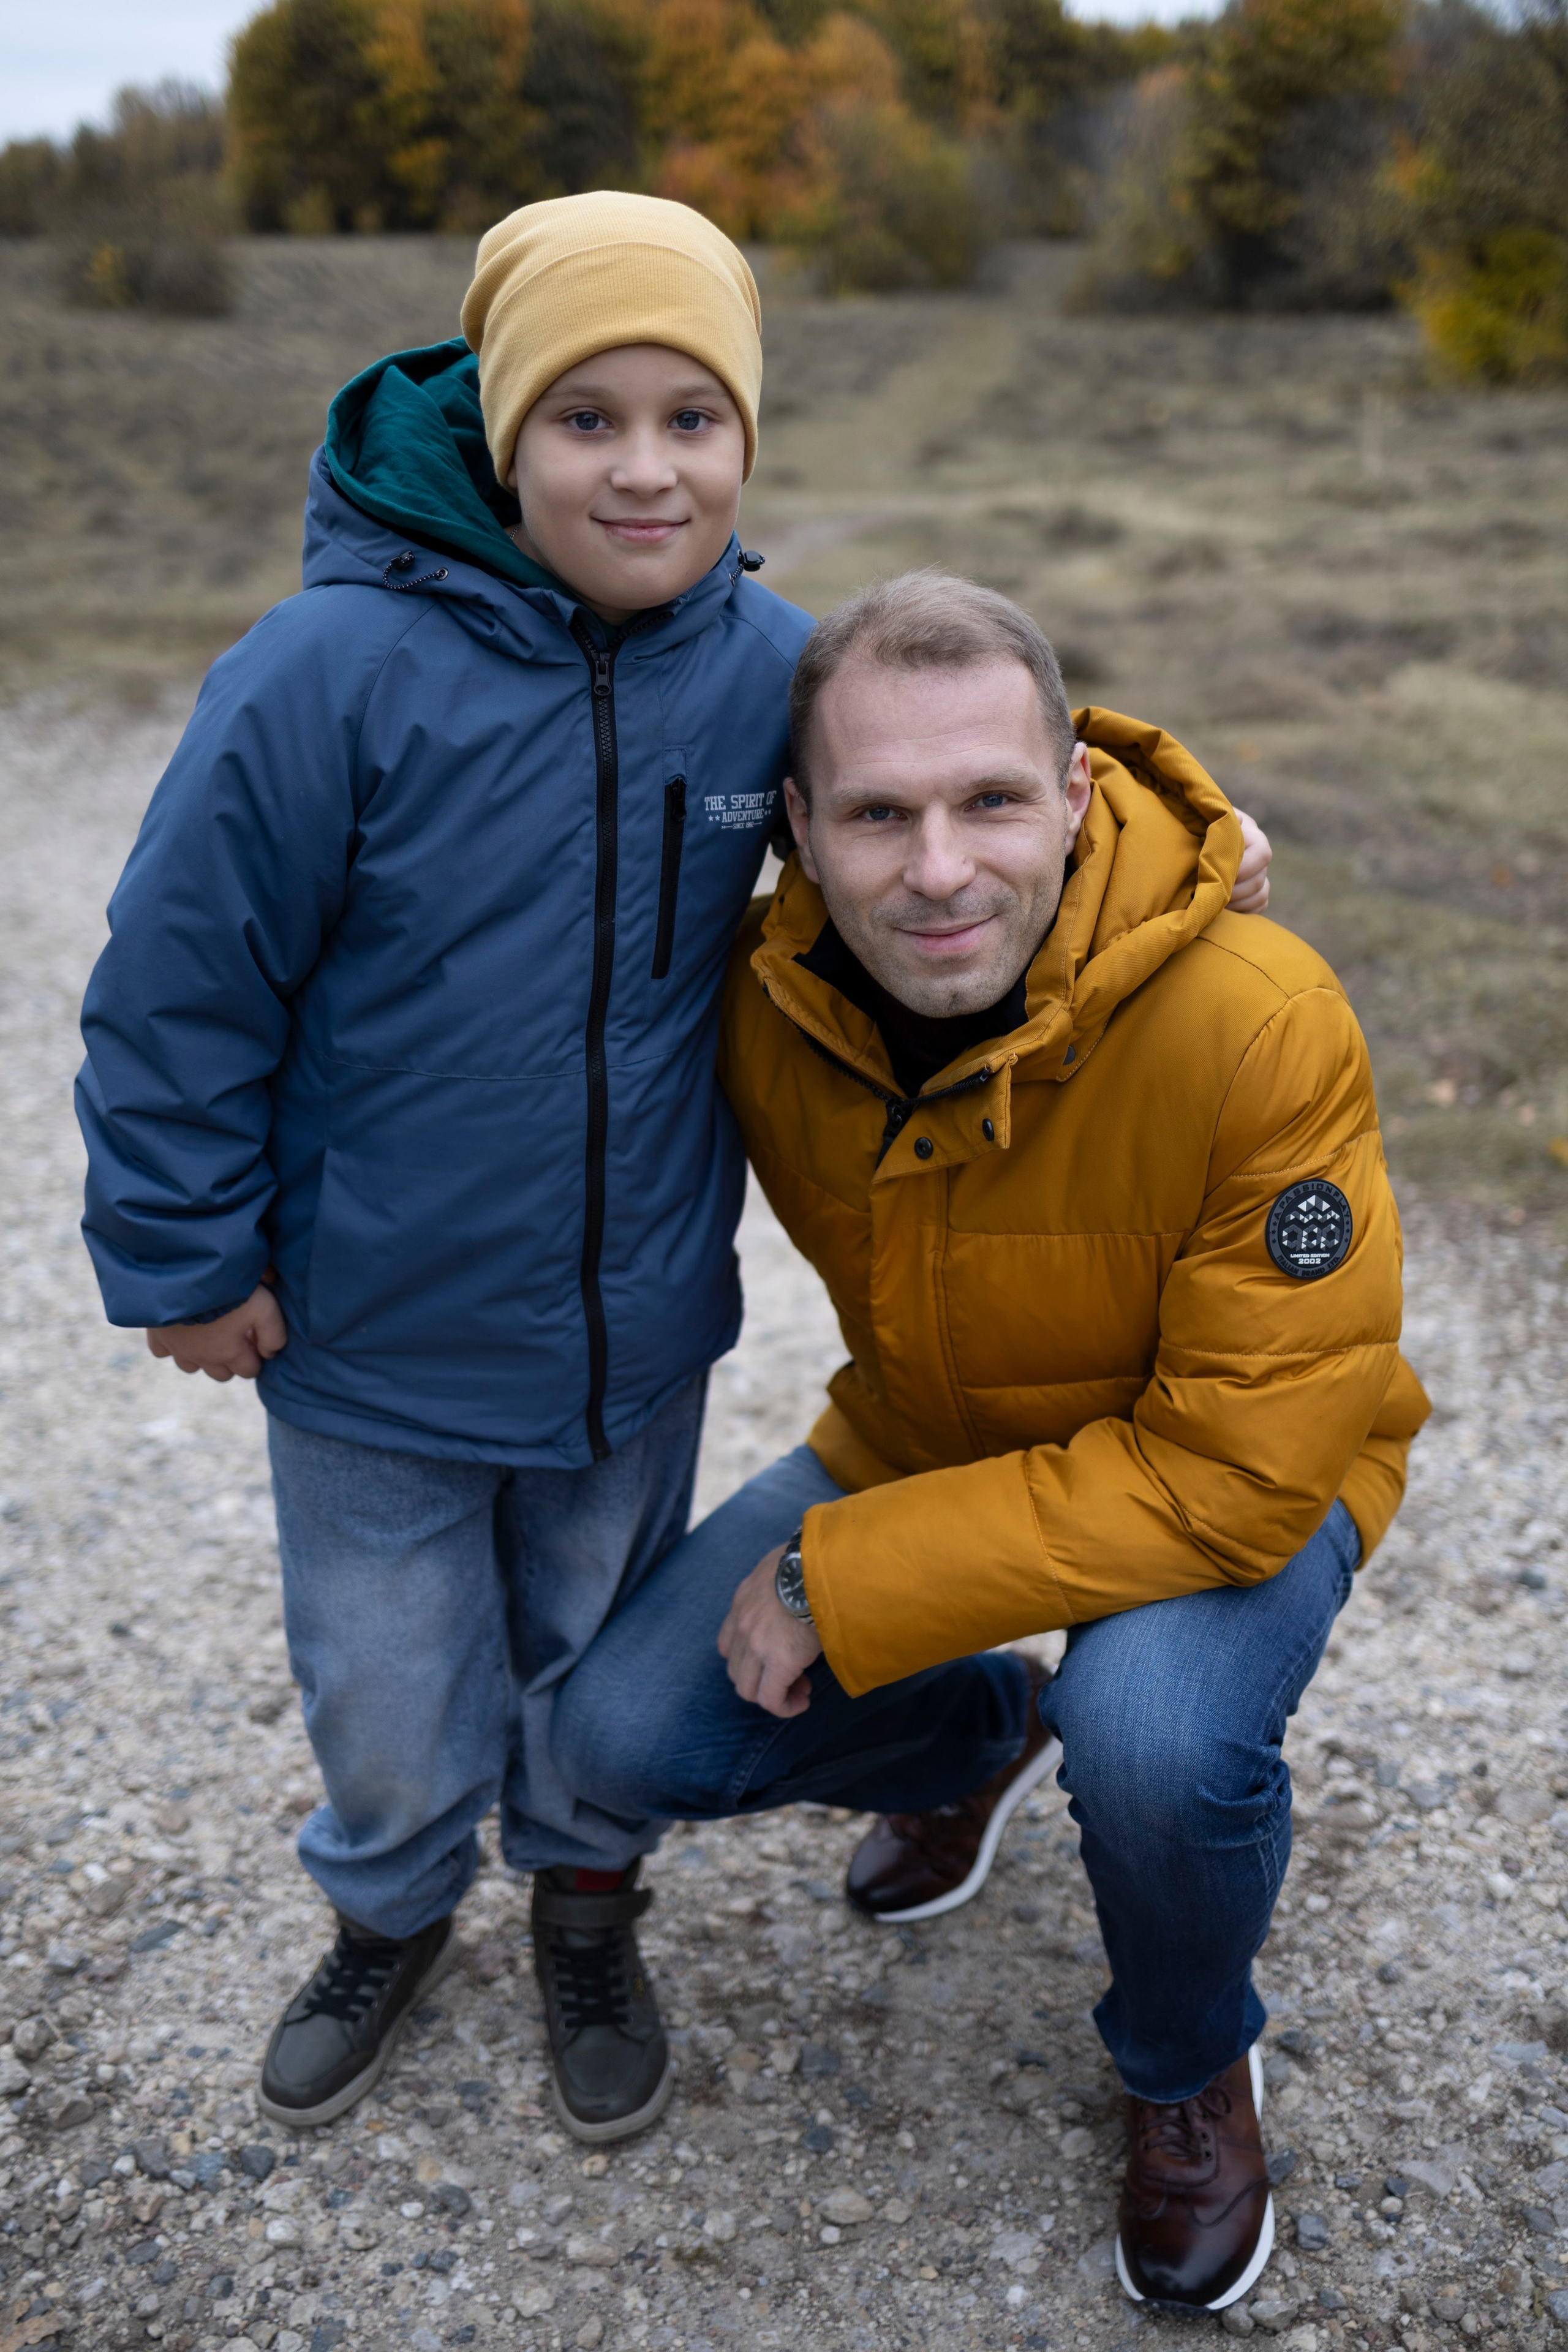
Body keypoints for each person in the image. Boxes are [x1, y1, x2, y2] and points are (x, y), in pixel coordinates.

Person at [75, 189, 1272, 2150]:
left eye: (693, 419)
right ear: (502, 430)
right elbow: (178, 990)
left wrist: (1184, 842)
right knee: (387, 1683)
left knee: (586, 1669)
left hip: (633, 1337)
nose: (646, 469)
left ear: (747, 441)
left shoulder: (764, 674)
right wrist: (184, 1256)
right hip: (366, 1336)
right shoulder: (323, 677)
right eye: (589, 419)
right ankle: (384, 1915)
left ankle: (585, 1906)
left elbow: (949, 789)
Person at [552, 570, 1428, 2307]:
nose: (939, 871)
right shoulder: (762, 999)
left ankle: (1186, 2062)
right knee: (622, 1730)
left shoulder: (1261, 1019)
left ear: (1080, 796)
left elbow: (1241, 1469)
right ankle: (975, 1739)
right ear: (794, 826)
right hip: (934, 1429)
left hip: (1237, 1477)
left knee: (1157, 1736)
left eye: (990, 802)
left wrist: (846, 1576)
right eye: (877, 813)